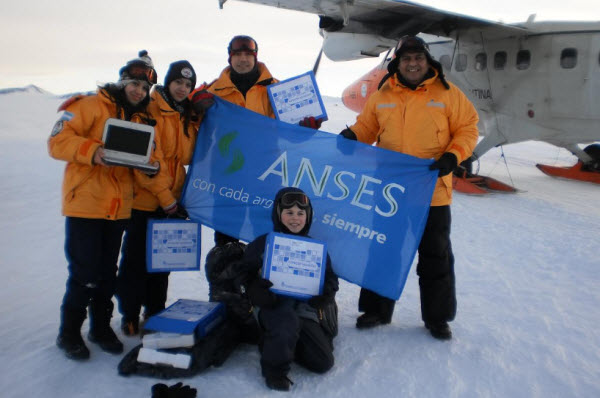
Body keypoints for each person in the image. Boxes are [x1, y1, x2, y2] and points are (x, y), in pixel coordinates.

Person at [338, 36, 479, 340]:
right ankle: (376, 310)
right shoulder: (383, 93)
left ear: (428, 61)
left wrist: (453, 156)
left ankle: (437, 318)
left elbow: (468, 128)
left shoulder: (448, 94)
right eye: (406, 59)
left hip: (432, 192)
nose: (413, 63)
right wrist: (352, 136)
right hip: (390, 192)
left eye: (418, 58)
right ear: (397, 63)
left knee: (435, 255)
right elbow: (368, 127)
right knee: (383, 251)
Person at [48, 51, 158, 360]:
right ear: (123, 81)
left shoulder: (142, 120)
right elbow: (57, 141)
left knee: (108, 272)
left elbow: (148, 157)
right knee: (85, 271)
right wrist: (92, 150)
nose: (138, 91)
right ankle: (68, 332)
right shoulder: (88, 105)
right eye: (134, 84)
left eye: (144, 88)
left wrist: (151, 167)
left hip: (119, 207)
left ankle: (100, 327)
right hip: (86, 204)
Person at [190, 35, 322, 250]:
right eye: (238, 55)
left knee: (265, 233)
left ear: (255, 57)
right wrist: (195, 109)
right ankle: (225, 279)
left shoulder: (278, 90)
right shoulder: (213, 92)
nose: (243, 60)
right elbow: (194, 127)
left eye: (247, 55)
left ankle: (260, 280)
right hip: (227, 177)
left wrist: (306, 128)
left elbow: (292, 134)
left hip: (265, 175)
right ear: (229, 58)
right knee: (226, 238)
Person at [116, 60, 200, 335]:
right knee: (135, 262)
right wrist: (166, 199)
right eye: (178, 82)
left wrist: (175, 200)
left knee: (162, 265)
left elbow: (186, 157)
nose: (182, 88)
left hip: (172, 202)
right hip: (145, 202)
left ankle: (154, 311)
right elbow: (143, 164)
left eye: (188, 85)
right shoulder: (146, 112)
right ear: (167, 82)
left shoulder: (185, 116)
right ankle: (129, 314)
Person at [235, 187, 339, 391]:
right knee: (285, 323)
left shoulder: (314, 248)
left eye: (301, 213)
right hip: (272, 306)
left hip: (303, 309)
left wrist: (327, 293)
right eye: (289, 212)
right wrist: (254, 289)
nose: (295, 218)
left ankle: (282, 341)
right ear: (278, 214)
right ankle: (274, 370)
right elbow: (242, 273)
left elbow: (330, 278)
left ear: (308, 217)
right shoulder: (263, 243)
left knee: (322, 362)